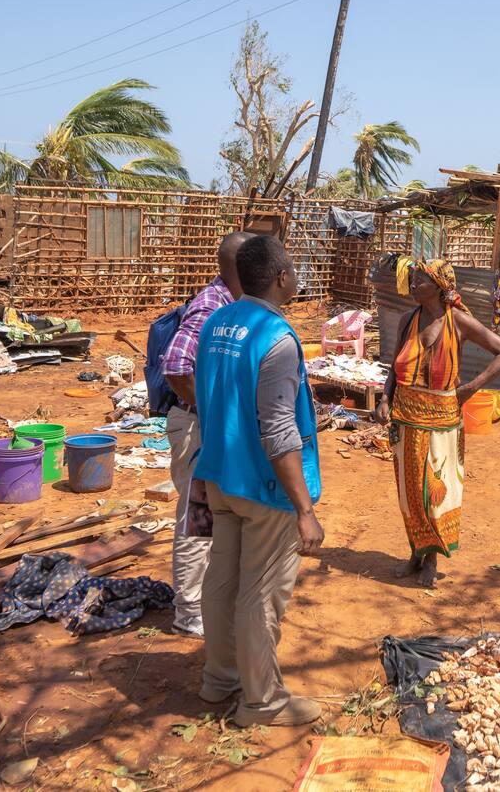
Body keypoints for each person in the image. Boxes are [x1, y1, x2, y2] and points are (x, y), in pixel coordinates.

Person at [192, 234, 325, 727]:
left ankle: (219, 678)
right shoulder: (277, 338)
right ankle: (262, 702)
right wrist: (305, 510)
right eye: (293, 268)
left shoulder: (217, 322)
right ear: (280, 277)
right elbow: (280, 430)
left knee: (222, 579)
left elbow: (208, 396)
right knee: (261, 593)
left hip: (220, 475)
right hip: (263, 487)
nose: (297, 275)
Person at [374, 259, 500, 588]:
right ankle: (416, 553)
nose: (413, 283)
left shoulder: (459, 321)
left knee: (436, 491)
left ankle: (433, 558)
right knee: (409, 493)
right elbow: (394, 367)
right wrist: (384, 399)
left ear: (439, 286)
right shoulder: (407, 320)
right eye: (413, 278)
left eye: (420, 279)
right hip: (406, 419)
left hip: (442, 420)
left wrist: (470, 388)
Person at [162, 231, 253, 637]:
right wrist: (209, 409)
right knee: (197, 519)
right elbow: (176, 365)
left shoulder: (233, 303)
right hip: (197, 427)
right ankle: (188, 613)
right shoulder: (211, 306)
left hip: (210, 427)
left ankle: (206, 600)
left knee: (214, 517)